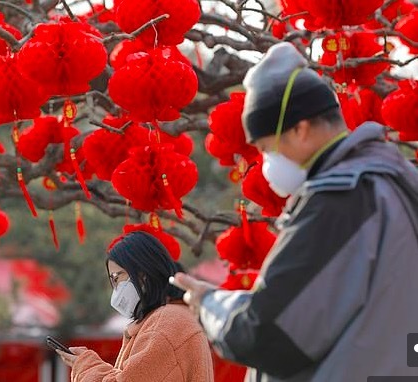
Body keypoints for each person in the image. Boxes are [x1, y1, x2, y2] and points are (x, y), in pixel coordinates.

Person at [172, 42, 418, 381]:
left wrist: (209, 305)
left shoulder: (342, 199)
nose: (266, 163)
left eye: (264, 148)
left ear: (300, 129)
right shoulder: (395, 183)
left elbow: (271, 333)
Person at [57, 231, 214, 382]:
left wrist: (86, 367)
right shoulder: (174, 317)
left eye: (117, 278)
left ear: (142, 274)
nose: (116, 289)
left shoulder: (165, 324)